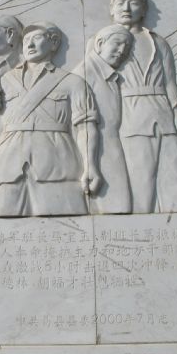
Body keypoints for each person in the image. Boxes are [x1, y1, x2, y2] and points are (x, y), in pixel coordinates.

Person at [0, 21, 102, 217]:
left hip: (56, 163)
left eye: (37, 38)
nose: (29, 45)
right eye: (26, 41)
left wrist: (91, 166)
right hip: (7, 165)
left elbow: (86, 128)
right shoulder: (4, 81)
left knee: (67, 223)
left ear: (54, 43)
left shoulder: (73, 82)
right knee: (0, 223)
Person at [109, 0, 177, 213]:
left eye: (133, 3)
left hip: (163, 113)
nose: (126, 8)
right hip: (130, 115)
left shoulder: (158, 42)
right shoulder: (102, 41)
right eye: (120, 3)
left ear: (143, 11)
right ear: (112, 10)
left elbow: (170, 81)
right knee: (140, 177)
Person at [73, 24, 133, 214]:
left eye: (126, 47)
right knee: (117, 207)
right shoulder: (84, 75)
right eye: (117, 43)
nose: (122, 51)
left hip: (111, 147)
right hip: (98, 153)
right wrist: (90, 165)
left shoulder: (107, 74)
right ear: (99, 44)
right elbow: (81, 126)